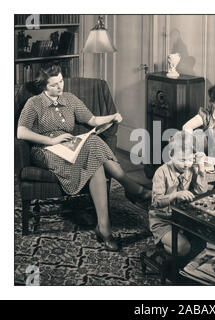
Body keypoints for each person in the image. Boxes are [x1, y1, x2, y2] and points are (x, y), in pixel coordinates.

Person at [17, 64, 151, 252]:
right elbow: (21, 132)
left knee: (93, 150)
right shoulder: (34, 103)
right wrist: (52, 140)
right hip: (45, 150)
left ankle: (104, 227)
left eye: (61, 81)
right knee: (93, 151)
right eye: (54, 85)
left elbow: (92, 120)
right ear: (44, 86)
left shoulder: (70, 99)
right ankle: (132, 189)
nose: (60, 87)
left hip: (70, 147)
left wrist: (112, 117)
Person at [148, 131, 208, 256]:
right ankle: (161, 246)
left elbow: (201, 191)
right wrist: (174, 195)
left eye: (190, 159)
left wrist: (201, 171)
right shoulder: (161, 172)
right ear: (171, 156)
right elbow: (156, 202)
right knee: (184, 249)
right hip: (163, 220)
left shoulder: (190, 169)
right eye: (182, 159)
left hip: (182, 218)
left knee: (204, 242)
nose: (186, 164)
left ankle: (180, 239)